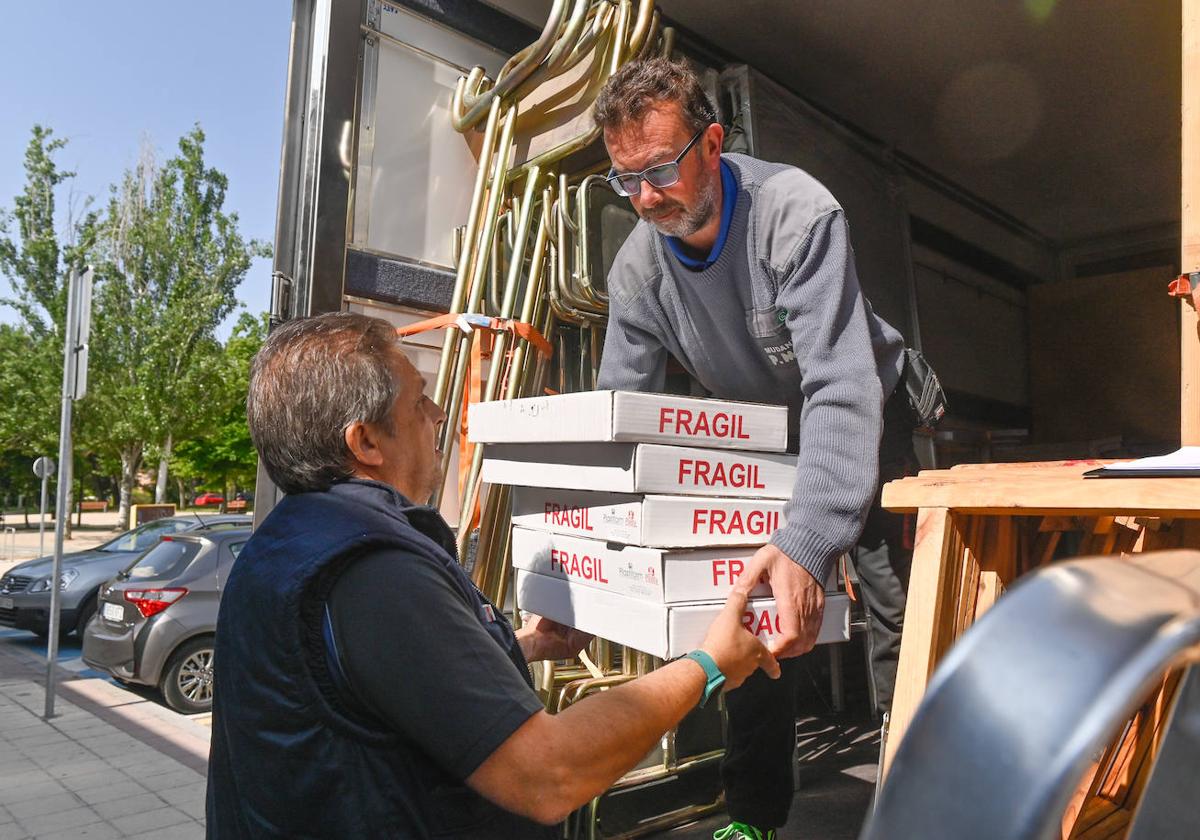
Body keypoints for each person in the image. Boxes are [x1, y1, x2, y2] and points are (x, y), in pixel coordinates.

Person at [205, 311, 781, 838]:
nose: (437, 416)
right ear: (366, 441)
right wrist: (707, 665)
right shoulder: (371, 573)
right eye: (419, 402)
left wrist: (525, 645)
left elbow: (389, 691)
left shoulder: (285, 545)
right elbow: (548, 774)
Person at [592, 58, 919, 839]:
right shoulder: (637, 270)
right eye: (624, 178)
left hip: (866, 407)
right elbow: (620, 414)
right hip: (756, 430)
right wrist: (601, 554)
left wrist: (809, 544)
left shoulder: (796, 215)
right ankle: (753, 816)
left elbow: (841, 389)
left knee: (898, 606)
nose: (644, 197)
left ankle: (918, 802)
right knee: (752, 608)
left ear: (711, 143)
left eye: (662, 170)